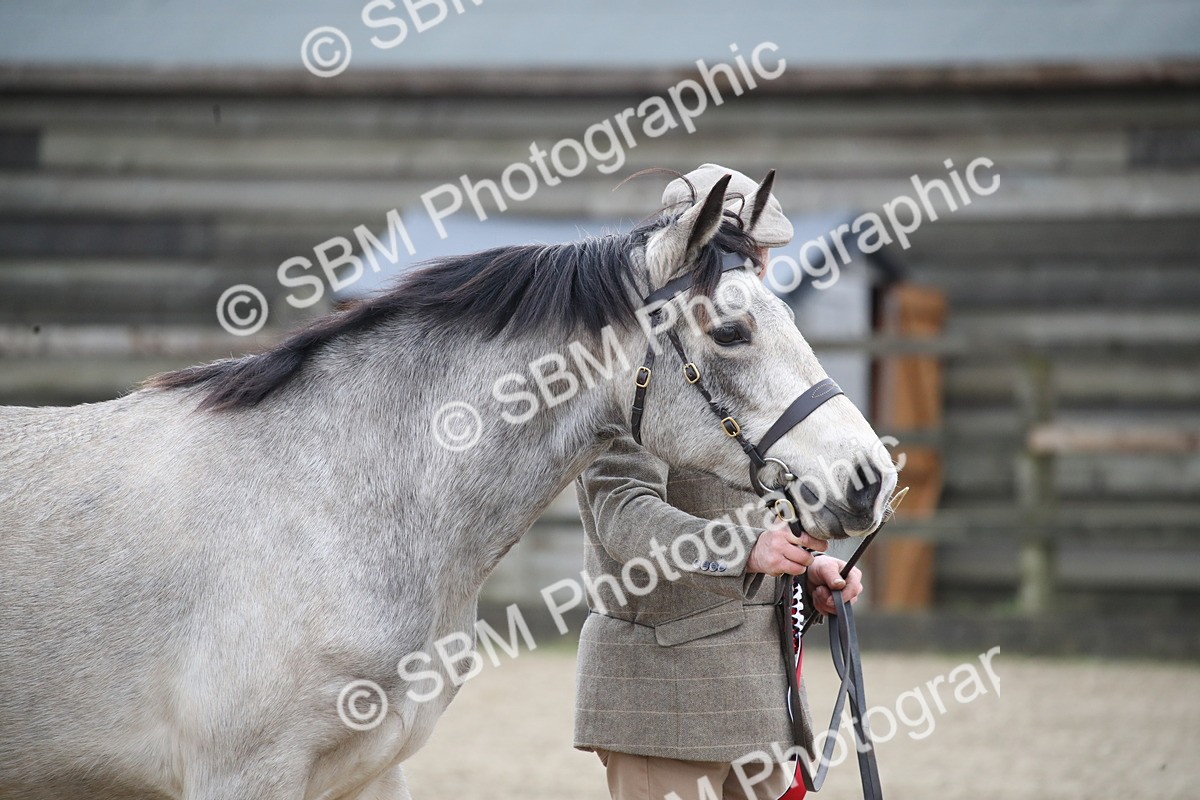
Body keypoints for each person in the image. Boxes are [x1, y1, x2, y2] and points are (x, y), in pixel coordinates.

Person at [573, 165, 865, 800]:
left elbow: (757, 504)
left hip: (762, 695)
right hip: (659, 697)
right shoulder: (635, 358)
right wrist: (744, 550)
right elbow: (623, 513)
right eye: (745, 252)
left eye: (758, 255)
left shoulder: (753, 346)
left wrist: (804, 568)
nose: (759, 267)